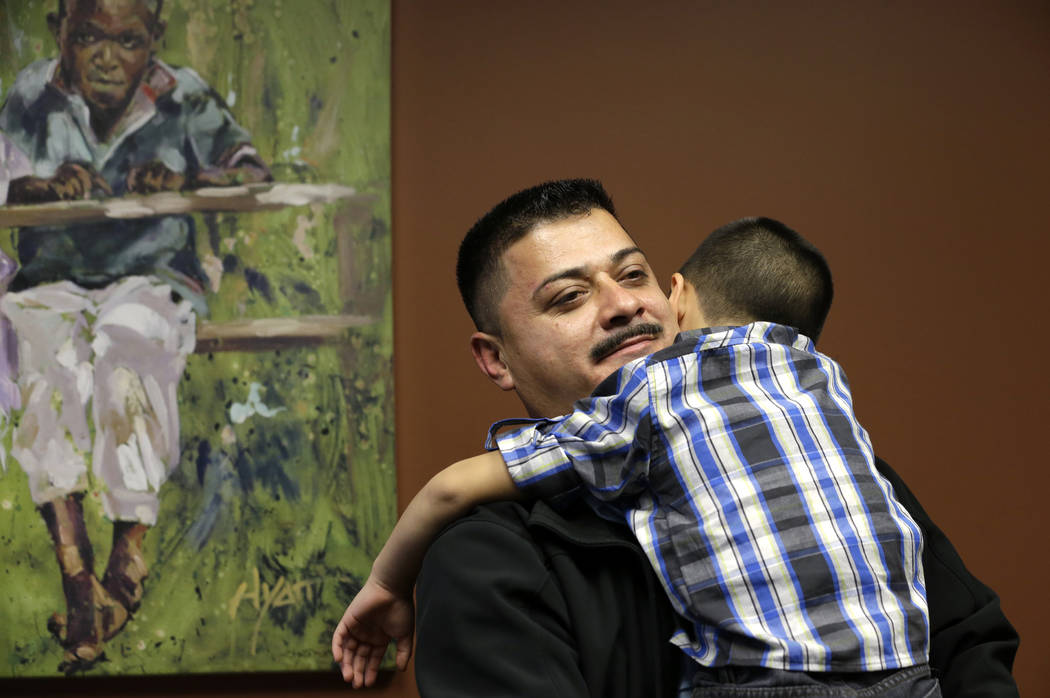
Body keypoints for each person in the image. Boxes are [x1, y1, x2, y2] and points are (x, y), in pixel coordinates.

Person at [385, 180, 1020, 696]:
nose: (624, 306)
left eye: (633, 276)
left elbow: (971, 640)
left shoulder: (820, 457)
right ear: (496, 359)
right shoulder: (485, 563)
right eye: (570, 296)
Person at [0, 0, 270, 671]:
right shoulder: (30, 96)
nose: (105, 55)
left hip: (149, 277)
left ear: (154, 40)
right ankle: (76, 571)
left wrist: (189, 179)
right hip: (50, 278)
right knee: (42, 361)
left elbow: (252, 174)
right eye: (87, 35)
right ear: (59, 31)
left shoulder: (183, 96)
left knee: (128, 350)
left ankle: (125, 565)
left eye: (127, 40)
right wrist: (38, 187)